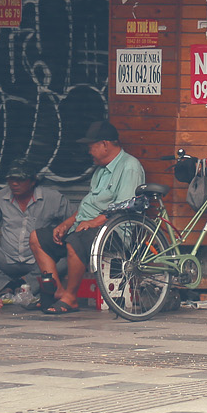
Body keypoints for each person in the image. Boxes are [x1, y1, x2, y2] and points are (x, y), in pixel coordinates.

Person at [32, 120, 143, 315]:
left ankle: (71, 298)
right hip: (84, 227)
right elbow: (89, 204)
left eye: (91, 147)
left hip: (112, 232)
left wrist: (92, 223)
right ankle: (59, 292)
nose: (89, 152)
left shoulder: (129, 167)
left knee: (75, 242)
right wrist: (67, 223)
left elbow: (124, 208)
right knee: (37, 238)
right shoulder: (100, 170)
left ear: (105, 145)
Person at [0, 159, 71, 300]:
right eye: (11, 179)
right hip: (8, 258)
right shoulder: (1, 197)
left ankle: (26, 284)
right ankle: (6, 286)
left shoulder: (53, 198)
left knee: (69, 258)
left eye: (20, 180)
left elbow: (74, 219)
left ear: (33, 181)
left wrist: (62, 235)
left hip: (39, 262)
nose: (14, 183)